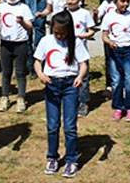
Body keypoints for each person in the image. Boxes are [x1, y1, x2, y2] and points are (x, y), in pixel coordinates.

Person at [34, 10, 90, 178]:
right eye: (56, 32)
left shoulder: (76, 43)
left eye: (62, 33)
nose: (59, 36)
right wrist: (41, 75)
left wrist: (80, 77)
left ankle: (72, 159)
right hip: (51, 85)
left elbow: (84, 63)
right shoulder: (46, 41)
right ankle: (52, 157)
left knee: (70, 126)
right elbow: (38, 61)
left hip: (70, 86)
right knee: (52, 125)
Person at [0, 0, 35, 113]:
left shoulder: (24, 8)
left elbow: (30, 27)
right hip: (5, 44)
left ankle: (21, 97)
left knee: (20, 72)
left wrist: (22, 22)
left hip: (21, 44)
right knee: (6, 72)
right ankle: (4, 97)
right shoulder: (1, 7)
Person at [101, 0, 130, 122]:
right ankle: (119, 107)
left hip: (129, 51)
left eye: (127, 2)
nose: (125, 4)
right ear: (115, 2)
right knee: (116, 80)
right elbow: (104, 35)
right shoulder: (109, 17)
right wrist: (109, 42)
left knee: (129, 80)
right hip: (115, 51)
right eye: (122, 1)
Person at [61, 0, 96, 117]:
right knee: (69, 76)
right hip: (65, 50)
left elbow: (92, 30)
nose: (70, 2)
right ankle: (70, 102)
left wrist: (84, 35)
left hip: (81, 50)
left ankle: (83, 102)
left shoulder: (84, 13)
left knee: (83, 77)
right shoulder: (63, 14)